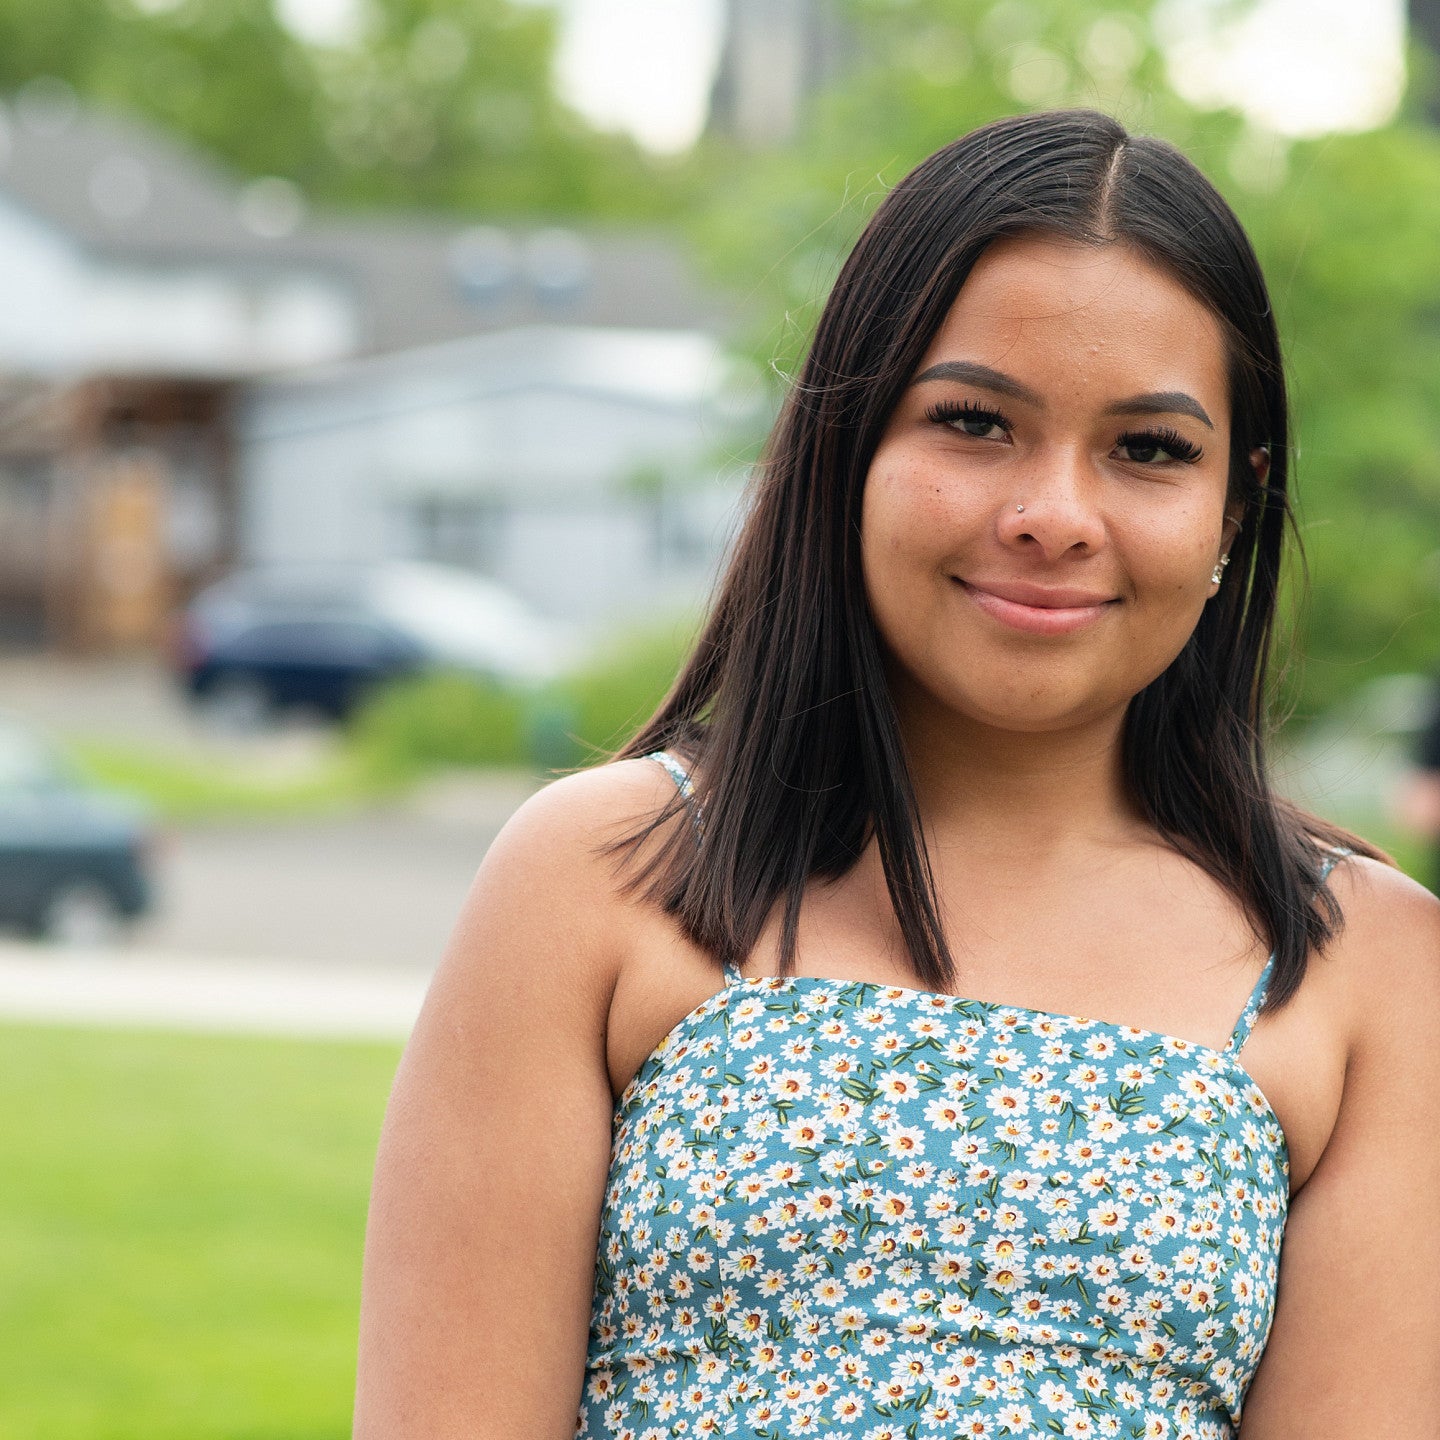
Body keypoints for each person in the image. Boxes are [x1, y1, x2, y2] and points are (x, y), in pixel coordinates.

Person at [353, 110, 1440, 1439]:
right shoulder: (598, 877)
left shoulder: (1367, 967)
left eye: (1149, 448)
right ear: (846, 445)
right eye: (976, 423)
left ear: (1235, 506)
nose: (1052, 512)